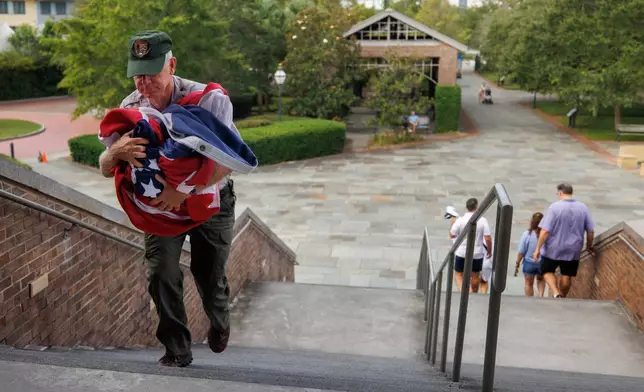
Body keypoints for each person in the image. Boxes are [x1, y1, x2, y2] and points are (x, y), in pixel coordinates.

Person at [98, 30, 237, 367]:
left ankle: (219, 320)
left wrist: (184, 190)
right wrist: (115, 152)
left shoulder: (208, 100)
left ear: (171, 65)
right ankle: (177, 348)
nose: (144, 83)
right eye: (138, 74)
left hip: (209, 203)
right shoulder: (130, 108)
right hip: (160, 210)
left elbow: (228, 163)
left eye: (152, 73)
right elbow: (105, 168)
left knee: (209, 273)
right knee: (161, 272)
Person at [533, 184, 595, 298]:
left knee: (547, 271)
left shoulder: (554, 208)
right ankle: (563, 296)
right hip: (573, 249)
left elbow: (545, 231)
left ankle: (556, 292)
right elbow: (590, 231)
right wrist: (589, 245)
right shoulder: (583, 208)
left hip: (553, 248)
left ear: (560, 193)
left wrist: (537, 248)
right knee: (567, 274)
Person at [450, 198, 492, 293]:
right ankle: (473, 292)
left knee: (459, 274)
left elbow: (452, 234)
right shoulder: (483, 220)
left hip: (462, 252)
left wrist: (453, 223)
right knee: (475, 275)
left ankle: (465, 292)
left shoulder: (460, 220)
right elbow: (488, 238)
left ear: (467, 207)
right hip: (477, 253)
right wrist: (489, 250)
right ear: (476, 207)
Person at [515, 212, 546, 297]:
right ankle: (540, 296)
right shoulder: (546, 235)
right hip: (542, 263)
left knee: (528, 284)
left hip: (529, 263)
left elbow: (522, 251)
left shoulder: (527, 234)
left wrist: (517, 262)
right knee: (541, 280)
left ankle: (530, 301)